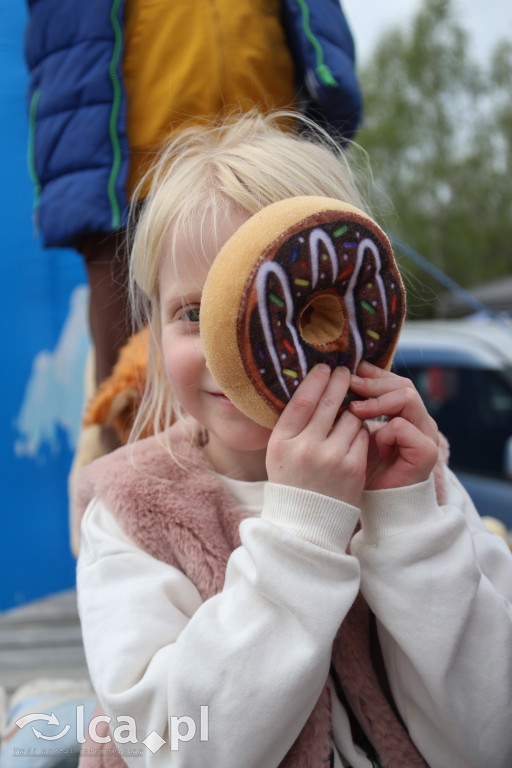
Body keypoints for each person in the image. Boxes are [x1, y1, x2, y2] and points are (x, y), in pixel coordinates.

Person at [74, 111, 512, 768]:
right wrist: (303, 538)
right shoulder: (131, 514)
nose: (233, 354)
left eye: (287, 309)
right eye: (195, 315)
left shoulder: (414, 482)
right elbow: (172, 750)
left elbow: (488, 737)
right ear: (154, 337)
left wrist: (412, 526)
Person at [24, 0, 362, 456]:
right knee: (130, 398)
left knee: (300, 366)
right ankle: (122, 514)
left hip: (265, 159)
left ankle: (309, 507)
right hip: (129, 172)